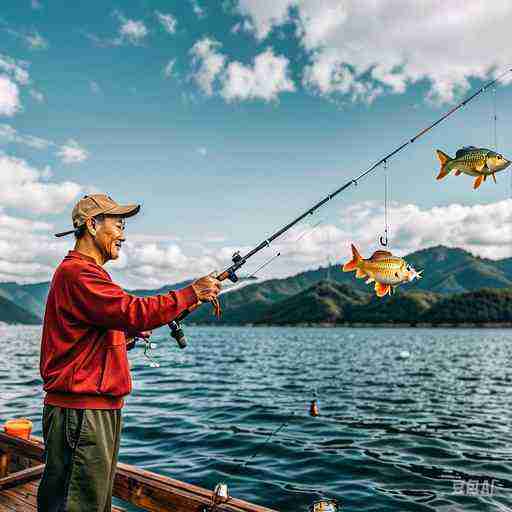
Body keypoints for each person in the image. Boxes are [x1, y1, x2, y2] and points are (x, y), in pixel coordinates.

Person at [37, 194, 221, 512]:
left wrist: (125, 333)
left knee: (87, 502)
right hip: (82, 414)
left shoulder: (87, 275)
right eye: (119, 225)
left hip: (91, 413)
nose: (123, 235)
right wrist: (192, 292)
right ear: (92, 225)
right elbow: (131, 310)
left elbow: (109, 323)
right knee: (78, 505)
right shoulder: (78, 273)